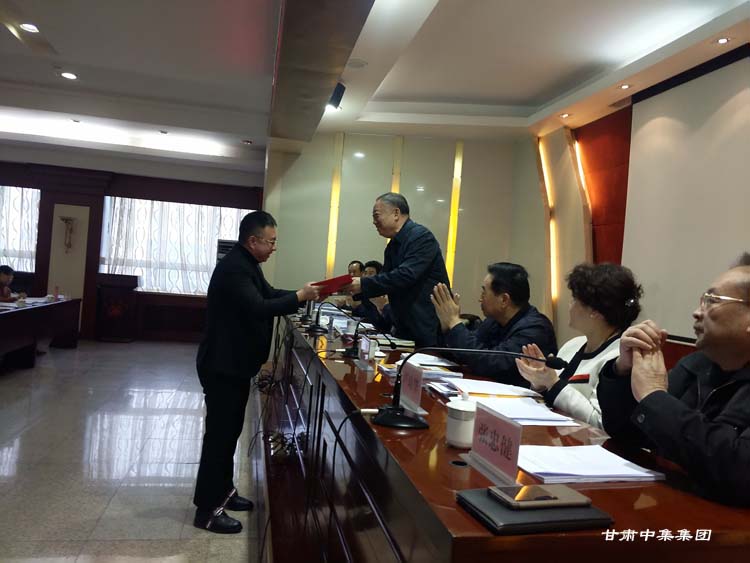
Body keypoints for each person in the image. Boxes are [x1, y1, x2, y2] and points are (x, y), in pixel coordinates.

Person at [193, 211, 320, 533]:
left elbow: (269, 293)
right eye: (271, 241)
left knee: (229, 433)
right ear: (253, 240)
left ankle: (225, 492)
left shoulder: (247, 264)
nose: (274, 247)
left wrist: (302, 294)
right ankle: (206, 510)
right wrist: (299, 297)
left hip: (233, 364)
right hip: (223, 365)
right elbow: (259, 307)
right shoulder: (235, 268)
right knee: (220, 437)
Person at [597, 253, 750, 506]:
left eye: (712, 301)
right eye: (702, 301)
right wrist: (623, 371)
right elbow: (627, 432)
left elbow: (738, 469)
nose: (696, 313)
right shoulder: (696, 365)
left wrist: (654, 397)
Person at [515, 263, 643, 427]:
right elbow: (552, 398)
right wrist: (539, 382)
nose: (570, 305)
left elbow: (600, 422)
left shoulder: (620, 361)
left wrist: (553, 383)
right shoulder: (574, 344)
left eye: (574, 299)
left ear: (594, 311)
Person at [344, 193, 450, 347]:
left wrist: (362, 284)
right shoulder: (392, 245)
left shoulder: (421, 237)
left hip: (426, 325)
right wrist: (352, 288)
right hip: (403, 325)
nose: (374, 222)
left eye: (376, 216)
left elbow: (406, 275)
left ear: (396, 213)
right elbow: (385, 280)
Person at [431, 262, 556, 387]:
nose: (480, 299)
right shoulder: (494, 321)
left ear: (504, 300)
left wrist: (454, 322)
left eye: (484, 293)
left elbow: (490, 364)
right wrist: (447, 326)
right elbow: (465, 354)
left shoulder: (535, 329)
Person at [352, 260, 392, 333]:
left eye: (371, 273)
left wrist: (381, 308)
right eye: (365, 273)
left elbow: (385, 325)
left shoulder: (383, 295)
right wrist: (351, 306)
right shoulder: (365, 291)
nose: (367, 276)